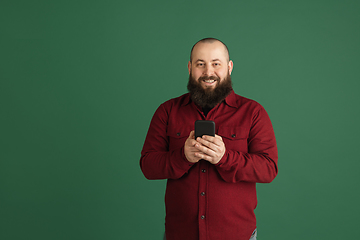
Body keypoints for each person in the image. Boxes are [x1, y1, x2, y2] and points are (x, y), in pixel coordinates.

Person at [140, 38, 278, 240]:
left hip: (237, 235)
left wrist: (225, 157)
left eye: (216, 63)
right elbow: (148, 165)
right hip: (181, 235)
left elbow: (268, 169)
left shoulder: (253, 112)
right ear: (190, 67)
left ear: (229, 67)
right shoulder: (167, 111)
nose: (208, 72)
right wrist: (183, 157)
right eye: (200, 64)